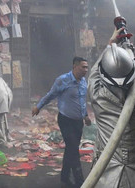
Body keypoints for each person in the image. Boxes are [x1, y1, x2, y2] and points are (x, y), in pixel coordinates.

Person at [87, 29, 135, 187]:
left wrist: (111, 45)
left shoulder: (99, 99)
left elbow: (94, 73)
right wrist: (129, 51)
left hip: (109, 181)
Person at [32, 57, 91, 187]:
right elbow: (50, 95)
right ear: (75, 66)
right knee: (73, 149)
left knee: (71, 149)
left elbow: (82, 102)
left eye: (87, 67)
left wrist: (86, 116)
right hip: (66, 120)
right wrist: (38, 106)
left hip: (78, 122)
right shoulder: (63, 80)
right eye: (83, 67)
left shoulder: (83, 82)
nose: (86, 70)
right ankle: (80, 181)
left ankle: (64, 177)